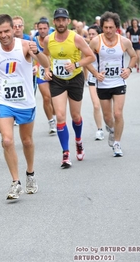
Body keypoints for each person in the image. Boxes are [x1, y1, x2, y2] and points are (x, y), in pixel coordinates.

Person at [0, 14, 50, 200]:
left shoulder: (25, 46)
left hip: (25, 101)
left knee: (27, 141)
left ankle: (30, 173)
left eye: (7, 31)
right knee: (7, 141)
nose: (3, 35)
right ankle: (16, 182)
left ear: (14, 29)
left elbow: (46, 64)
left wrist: (36, 52)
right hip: (4, 100)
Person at [42, 8, 96, 168]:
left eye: (63, 20)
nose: (60, 23)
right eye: (57, 20)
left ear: (67, 21)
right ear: (54, 22)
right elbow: (45, 55)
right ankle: (65, 153)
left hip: (75, 79)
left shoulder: (76, 38)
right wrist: (46, 69)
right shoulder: (48, 39)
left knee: (76, 116)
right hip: (57, 80)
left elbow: (91, 56)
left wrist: (76, 64)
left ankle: (78, 141)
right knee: (60, 116)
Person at [87, 11, 137, 157]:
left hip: (118, 82)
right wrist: (95, 74)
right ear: (102, 27)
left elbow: (133, 56)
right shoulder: (96, 41)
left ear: (116, 27)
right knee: (108, 118)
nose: (108, 30)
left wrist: (128, 69)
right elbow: (86, 59)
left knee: (118, 113)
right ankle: (112, 130)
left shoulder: (124, 41)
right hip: (103, 84)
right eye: (105, 27)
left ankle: (117, 143)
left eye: (111, 27)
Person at [33, 17, 57, 135]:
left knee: (54, 99)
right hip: (41, 72)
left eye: (44, 28)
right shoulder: (34, 40)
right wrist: (36, 66)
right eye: (40, 28)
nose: (42, 31)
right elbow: (34, 56)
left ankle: (56, 115)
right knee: (46, 97)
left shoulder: (53, 38)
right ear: (37, 28)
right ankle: (51, 122)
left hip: (54, 70)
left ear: (49, 28)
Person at [86, 25, 105, 141]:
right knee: (96, 104)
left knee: (106, 107)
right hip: (93, 78)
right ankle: (99, 129)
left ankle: (109, 122)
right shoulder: (87, 47)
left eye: (93, 34)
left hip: (105, 79)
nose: (91, 36)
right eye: (89, 34)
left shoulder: (105, 45)